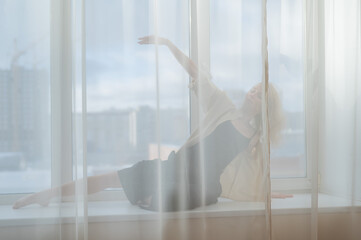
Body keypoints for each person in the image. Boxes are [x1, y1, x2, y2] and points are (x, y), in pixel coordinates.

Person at [13, 36, 292, 211]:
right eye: (254, 89)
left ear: (264, 107)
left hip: (199, 187)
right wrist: (169, 44)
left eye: (259, 94)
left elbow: (254, 176)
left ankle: (153, 200)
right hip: (175, 167)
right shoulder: (224, 108)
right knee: (116, 176)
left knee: (159, 202)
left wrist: (266, 192)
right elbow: (199, 75)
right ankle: (46, 194)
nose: (253, 93)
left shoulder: (255, 138)